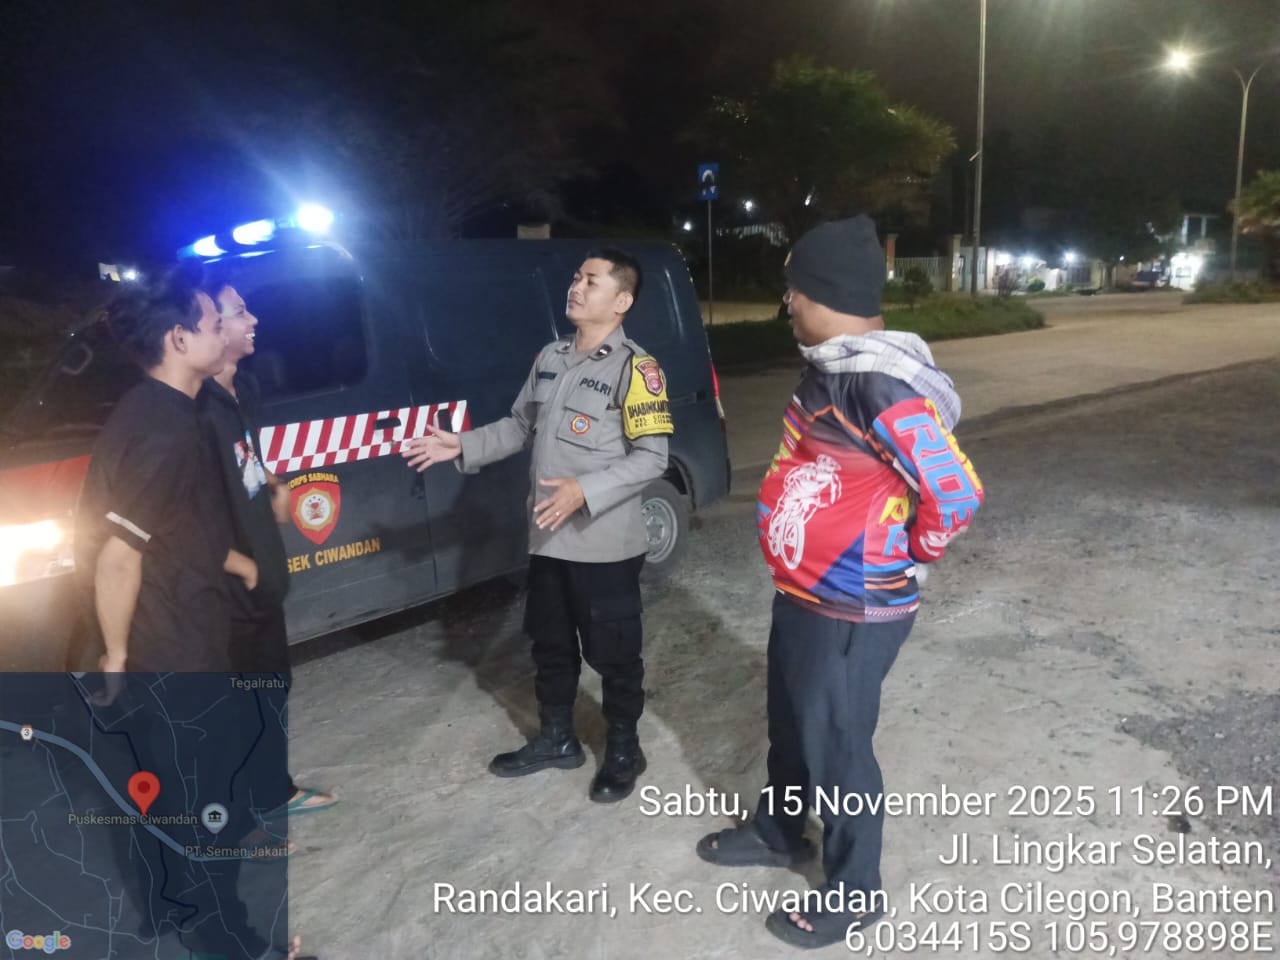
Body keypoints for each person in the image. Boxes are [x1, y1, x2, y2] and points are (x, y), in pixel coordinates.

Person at [695, 217, 985, 949]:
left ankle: (856, 891)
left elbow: (955, 492)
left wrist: (914, 550)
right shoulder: (831, 367)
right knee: (791, 727)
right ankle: (778, 832)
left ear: (824, 293)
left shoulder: (880, 384)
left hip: (853, 608)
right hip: (803, 594)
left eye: (793, 289)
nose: (786, 302)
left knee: (839, 750)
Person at [404, 248, 672, 803]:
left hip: (603, 544)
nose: (576, 286)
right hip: (549, 538)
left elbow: (652, 458)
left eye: (591, 281)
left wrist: (584, 490)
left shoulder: (636, 369)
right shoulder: (551, 357)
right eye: (576, 277)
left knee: (615, 652)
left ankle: (624, 747)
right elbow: (517, 425)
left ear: (621, 301)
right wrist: (462, 444)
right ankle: (557, 739)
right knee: (550, 643)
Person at [199, 276, 338, 815]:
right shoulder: (193, 407)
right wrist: (239, 564)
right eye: (239, 312)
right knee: (232, 697)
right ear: (208, 325)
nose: (253, 319)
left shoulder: (243, 390)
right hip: (223, 586)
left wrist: (272, 484)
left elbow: (244, 462)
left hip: (260, 572)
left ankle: (271, 791)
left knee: (270, 684)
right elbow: (181, 511)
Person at [75, 268, 255, 674]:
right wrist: (116, 658)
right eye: (215, 326)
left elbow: (176, 525)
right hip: (169, 647)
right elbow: (118, 558)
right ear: (179, 339)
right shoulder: (165, 433)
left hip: (187, 628)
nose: (224, 337)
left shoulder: (152, 406)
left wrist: (241, 566)